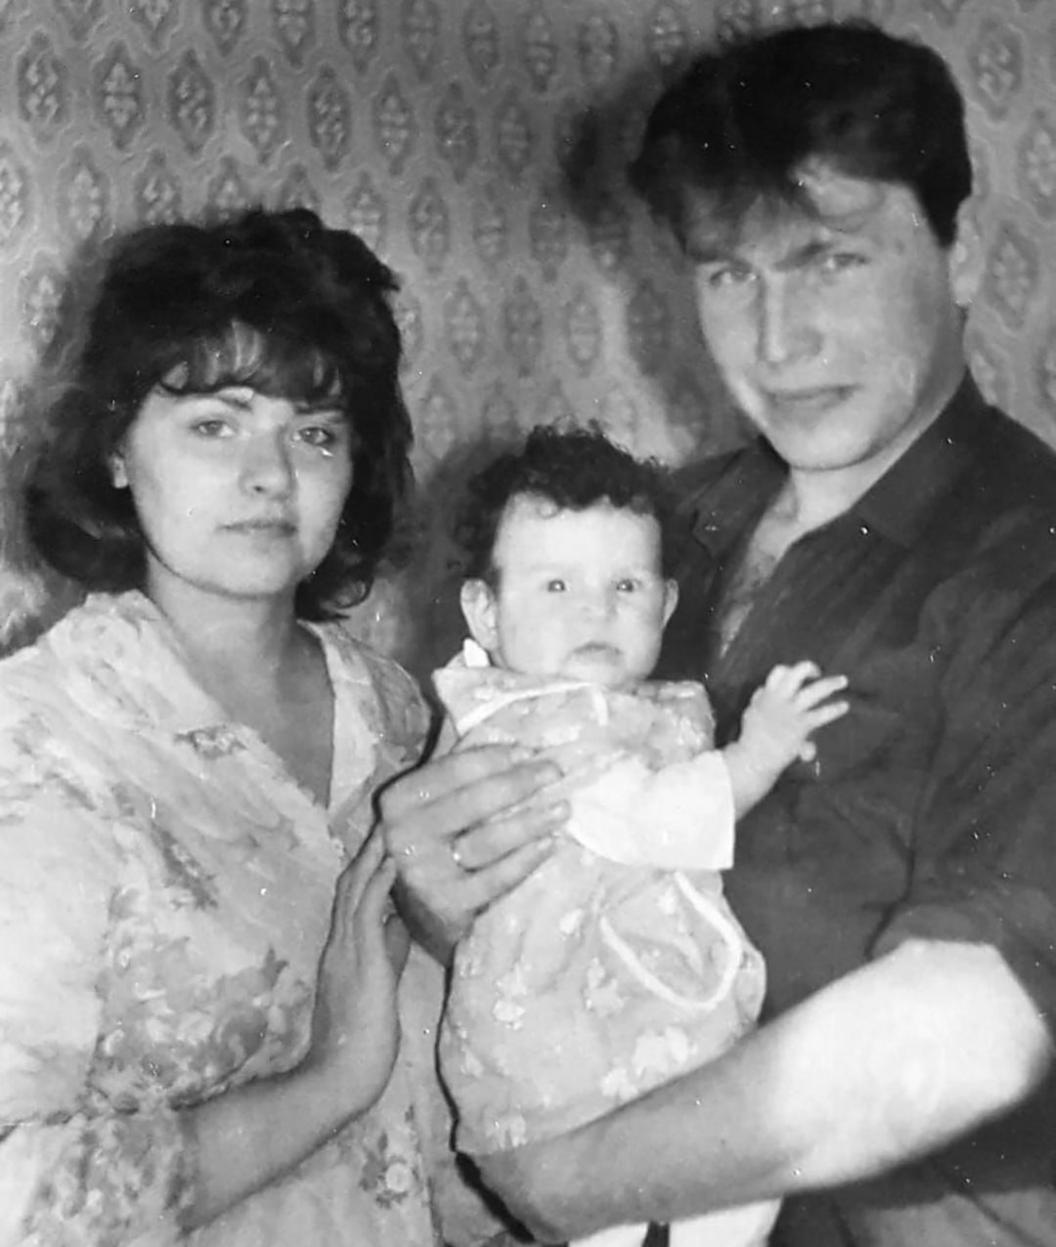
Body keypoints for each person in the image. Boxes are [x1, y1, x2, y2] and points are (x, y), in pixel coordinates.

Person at [380, 20, 1056, 1247]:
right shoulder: (644, 532)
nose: (776, 339)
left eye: (832, 260)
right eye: (730, 273)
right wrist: (440, 885)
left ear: (960, 256)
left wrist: (559, 1179)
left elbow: (979, 1019)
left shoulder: (1033, 566)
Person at [0, 207, 499, 1246]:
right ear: (118, 449)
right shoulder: (39, 741)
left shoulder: (404, 715)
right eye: (216, 423)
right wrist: (331, 1078)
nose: (271, 474)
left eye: (315, 433)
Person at [432, 424, 847, 1247]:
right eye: (555, 586)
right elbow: (646, 815)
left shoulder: (650, 704)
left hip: (646, 1005)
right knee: (622, 1210)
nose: (595, 609)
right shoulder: (527, 716)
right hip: (563, 1033)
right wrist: (753, 757)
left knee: (739, 1176)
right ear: (486, 608)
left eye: (626, 585)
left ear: (664, 605)